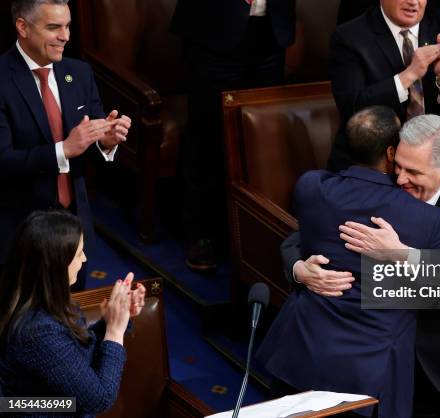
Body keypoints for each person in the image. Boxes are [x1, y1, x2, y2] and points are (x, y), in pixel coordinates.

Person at [283, 115, 440, 417]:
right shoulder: (388, 182)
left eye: (413, 171)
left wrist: (401, 253)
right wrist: (299, 268)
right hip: (394, 369)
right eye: (398, 166)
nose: (400, 179)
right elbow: (306, 234)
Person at [257, 107, 440, 418]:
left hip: (302, 353)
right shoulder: (429, 220)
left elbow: (303, 233)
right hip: (370, 370)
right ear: (392, 153)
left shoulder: (312, 188)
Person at [0, 0, 132, 286]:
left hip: (74, 232)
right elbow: (3, 160)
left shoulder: (80, 73)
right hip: (19, 234)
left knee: (73, 319)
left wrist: (106, 142)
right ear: (22, 27)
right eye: (53, 27)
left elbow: (91, 146)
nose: (65, 36)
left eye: (68, 26)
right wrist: (64, 149)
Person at [170, 0, 295, 271]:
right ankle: (200, 233)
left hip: (270, 32)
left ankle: (254, 234)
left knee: (262, 140)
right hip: (212, 33)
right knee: (207, 135)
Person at [0, 210, 146, 417]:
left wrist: (114, 318)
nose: (85, 259)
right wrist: (114, 332)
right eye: (79, 254)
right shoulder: (36, 332)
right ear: (56, 265)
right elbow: (100, 400)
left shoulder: (46, 301)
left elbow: (71, 358)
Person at [327, 0, 440, 172]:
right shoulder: (350, 37)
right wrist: (409, 75)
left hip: (434, 168)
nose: (413, 2)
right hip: (372, 164)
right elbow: (353, 109)